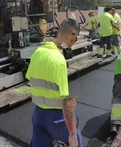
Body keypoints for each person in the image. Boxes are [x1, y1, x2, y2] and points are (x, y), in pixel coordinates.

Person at [26, 18, 82, 147]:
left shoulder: (37, 53)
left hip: (38, 115)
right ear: (73, 36)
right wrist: (72, 134)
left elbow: (30, 78)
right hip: (58, 118)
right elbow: (67, 101)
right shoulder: (58, 59)